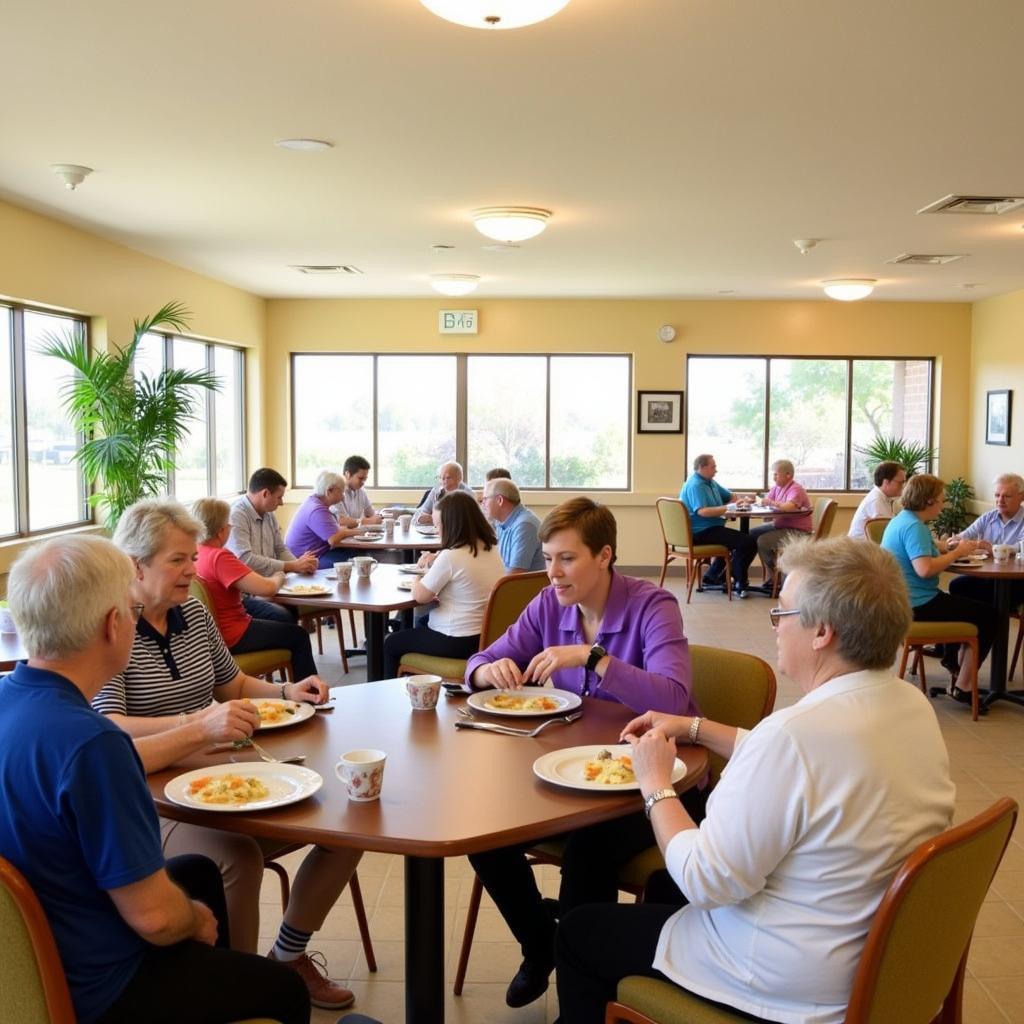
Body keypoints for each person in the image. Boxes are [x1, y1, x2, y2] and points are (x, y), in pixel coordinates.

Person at [555, 536, 955, 1024]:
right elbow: (802, 765)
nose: (776, 627)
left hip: (791, 980)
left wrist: (655, 784)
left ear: (822, 632)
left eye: (782, 613)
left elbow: (707, 881)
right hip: (877, 958)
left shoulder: (792, 738)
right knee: (663, 886)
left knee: (579, 932)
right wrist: (693, 727)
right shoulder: (907, 704)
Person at [0, 535, 310, 1024]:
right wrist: (194, 920)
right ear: (112, 625)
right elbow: (157, 918)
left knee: (198, 872)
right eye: (130, 607)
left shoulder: (9, 701)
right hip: (99, 985)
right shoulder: (94, 744)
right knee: (284, 990)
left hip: (30, 955)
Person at [92, 499, 362, 1011]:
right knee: (234, 857)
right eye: (178, 560)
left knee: (345, 822)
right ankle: (243, 989)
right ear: (135, 564)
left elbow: (231, 683)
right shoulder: (112, 626)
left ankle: (286, 958)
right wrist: (195, 725)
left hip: (222, 775)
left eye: (193, 558)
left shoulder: (192, 609)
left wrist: (287, 693)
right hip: (155, 795)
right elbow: (111, 728)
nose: (192, 571)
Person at [464, 497, 700, 1008]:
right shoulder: (548, 604)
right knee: (480, 828)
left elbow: (675, 699)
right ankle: (542, 944)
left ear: (605, 555)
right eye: (548, 558)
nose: (552, 572)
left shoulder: (653, 605)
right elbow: (482, 659)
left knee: (589, 850)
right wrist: (486, 673)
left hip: (653, 783)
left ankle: (578, 1005)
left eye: (566, 559)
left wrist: (596, 659)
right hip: (569, 775)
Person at [881, 473, 999, 698]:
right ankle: (963, 686)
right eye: (941, 499)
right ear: (928, 501)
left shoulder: (903, 520)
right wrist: (957, 552)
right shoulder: (915, 527)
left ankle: (954, 664)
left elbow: (922, 547)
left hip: (902, 600)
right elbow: (924, 569)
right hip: (918, 604)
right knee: (989, 615)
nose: (943, 504)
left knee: (967, 600)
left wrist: (947, 546)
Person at [382, 490, 505, 677]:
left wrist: (419, 574)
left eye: (438, 525)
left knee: (392, 642)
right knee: (422, 622)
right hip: (485, 636)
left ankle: (386, 696)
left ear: (452, 524)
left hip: (456, 639)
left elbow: (420, 596)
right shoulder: (493, 549)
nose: (437, 531)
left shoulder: (452, 555)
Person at [194, 497, 319, 679]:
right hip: (234, 632)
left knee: (281, 616)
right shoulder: (220, 558)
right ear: (221, 531)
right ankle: (310, 696)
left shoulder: (195, 553)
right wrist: (279, 575)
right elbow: (267, 589)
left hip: (214, 632)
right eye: (229, 525)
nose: (231, 529)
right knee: (298, 636)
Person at [227, 467, 318, 624]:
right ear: (265, 494)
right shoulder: (237, 514)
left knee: (297, 604)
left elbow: (280, 548)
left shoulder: (269, 514)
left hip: (271, 583)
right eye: (279, 497)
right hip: (246, 593)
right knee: (287, 614)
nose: (282, 503)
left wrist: (301, 565)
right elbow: (244, 559)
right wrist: (292, 566)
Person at [679, 453, 757, 596]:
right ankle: (739, 581)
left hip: (711, 527)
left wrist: (735, 502)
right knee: (748, 542)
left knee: (738, 541)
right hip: (701, 531)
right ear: (702, 467)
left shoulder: (710, 482)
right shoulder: (696, 485)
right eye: (713, 466)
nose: (716, 470)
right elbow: (702, 511)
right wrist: (729, 508)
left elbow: (730, 496)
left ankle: (713, 576)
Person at [947, 473, 1024, 608]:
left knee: (996, 598)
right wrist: (955, 540)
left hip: (1016, 579)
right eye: (997, 495)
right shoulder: (988, 517)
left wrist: (992, 548)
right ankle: (985, 623)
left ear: (1022, 497)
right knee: (956, 586)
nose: (1000, 500)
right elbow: (966, 534)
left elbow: (1020, 548)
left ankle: (991, 622)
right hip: (989, 575)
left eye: (1007, 496)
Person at [748, 458, 812, 590]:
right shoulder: (777, 488)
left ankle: (776, 576)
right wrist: (752, 502)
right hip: (781, 525)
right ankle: (743, 575)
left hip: (797, 530)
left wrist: (770, 503)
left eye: (776, 474)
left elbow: (788, 507)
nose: (773, 477)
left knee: (763, 541)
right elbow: (765, 501)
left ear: (788, 475)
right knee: (751, 534)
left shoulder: (796, 489)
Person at [285, 470, 361, 568]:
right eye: (341, 492)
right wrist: (359, 532)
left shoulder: (314, 501)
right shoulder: (317, 509)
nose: (343, 497)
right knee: (357, 562)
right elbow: (333, 539)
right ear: (329, 491)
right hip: (307, 559)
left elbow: (335, 530)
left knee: (359, 554)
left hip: (319, 552)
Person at [483, 477, 545, 572]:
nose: (483, 503)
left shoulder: (524, 525)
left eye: (485, 498)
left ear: (500, 500)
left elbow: (515, 575)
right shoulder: (500, 521)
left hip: (524, 586)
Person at [848, 460, 907, 539]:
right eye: (901, 482)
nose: (903, 486)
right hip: (862, 549)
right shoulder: (876, 501)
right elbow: (888, 533)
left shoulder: (885, 498)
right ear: (886, 482)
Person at [331, 454, 382, 526]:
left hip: (355, 534)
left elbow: (371, 514)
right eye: (360, 478)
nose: (363, 482)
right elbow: (341, 521)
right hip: (342, 535)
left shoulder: (361, 491)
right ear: (347, 474)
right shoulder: (336, 491)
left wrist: (377, 518)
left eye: (365, 479)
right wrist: (367, 521)